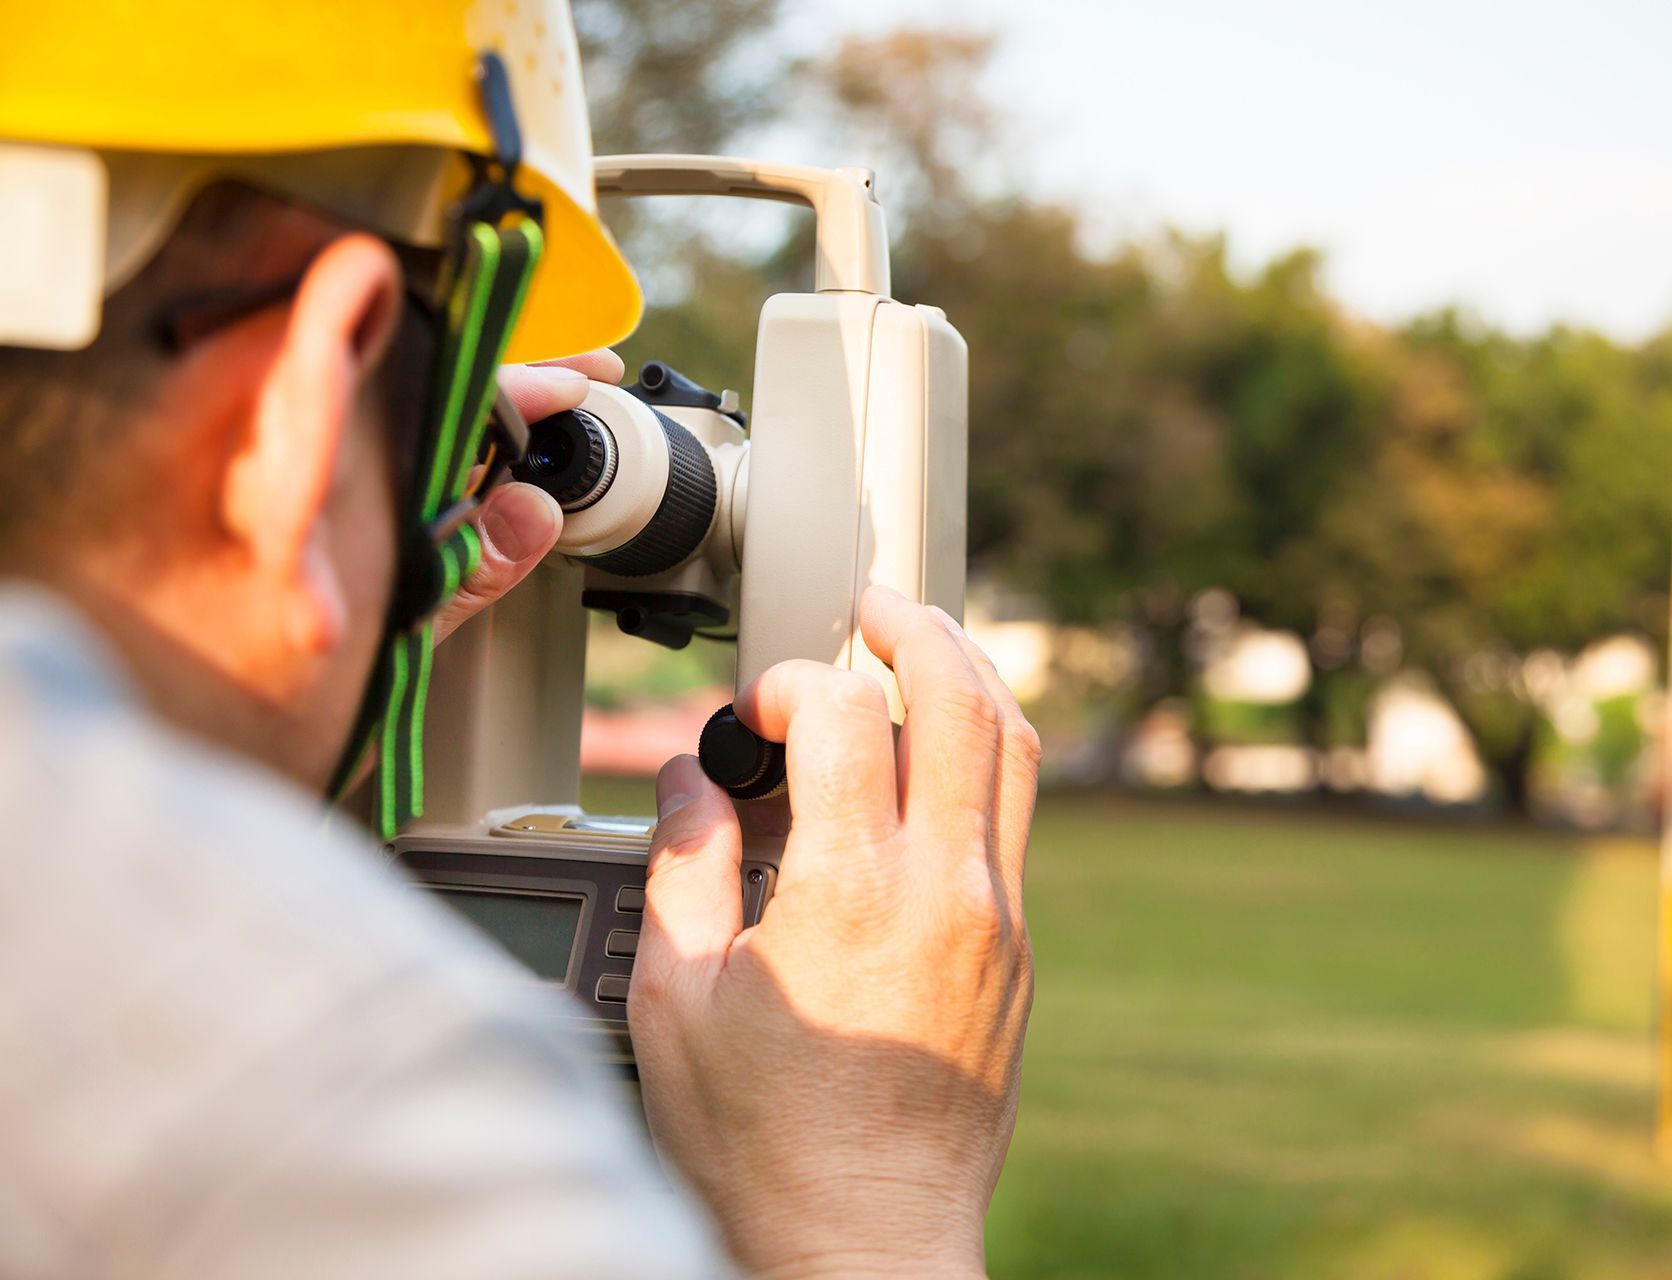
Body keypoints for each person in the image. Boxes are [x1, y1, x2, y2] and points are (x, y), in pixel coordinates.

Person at [0, 4, 1038, 1277]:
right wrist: (869, 1204)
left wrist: (242, 700)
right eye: (452, 437)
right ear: (301, 408)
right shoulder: (328, 1103)